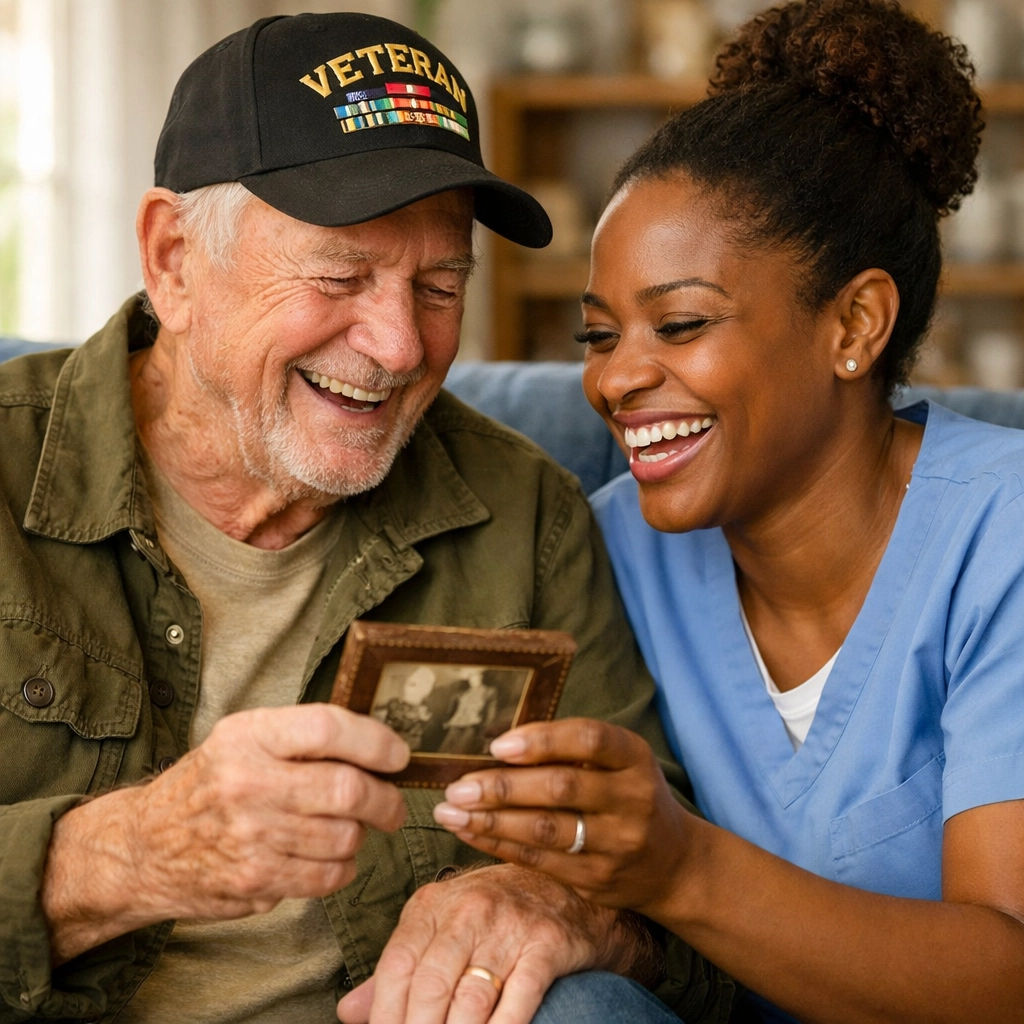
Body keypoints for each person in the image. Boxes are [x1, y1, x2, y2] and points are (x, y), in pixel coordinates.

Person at [0, 13, 735, 1024]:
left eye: (440, 285)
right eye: (339, 277)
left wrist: (565, 902)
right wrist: (121, 855)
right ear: (174, 259)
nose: (397, 347)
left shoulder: (523, 516)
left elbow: (667, 884)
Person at [430, 2, 1024, 1021]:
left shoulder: (999, 534)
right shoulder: (602, 547)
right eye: (597, 336)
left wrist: (676, 867)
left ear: (854, 323)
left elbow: (1008, 974)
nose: (617, 380)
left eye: (681, 323)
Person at [372, 667, 437, 752]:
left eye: (414, 685)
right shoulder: (393, 702)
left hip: (402, 747)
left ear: (426, 690)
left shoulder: (422, 712)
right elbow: (376, 709)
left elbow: (411, 733)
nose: (408, 688)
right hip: (384, 741)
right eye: (410, 683)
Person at [439, 668, 498, 754]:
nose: (473, 679)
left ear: (481, 677)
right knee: (445, 750)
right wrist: (447, 720)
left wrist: (486, 729)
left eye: (475, 676)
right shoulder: (463, 694)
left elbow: (491, 712)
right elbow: (454, 710)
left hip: (472, 726)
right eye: (471, 677)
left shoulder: (489, 691)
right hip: (455, 725)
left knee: (462, 750)